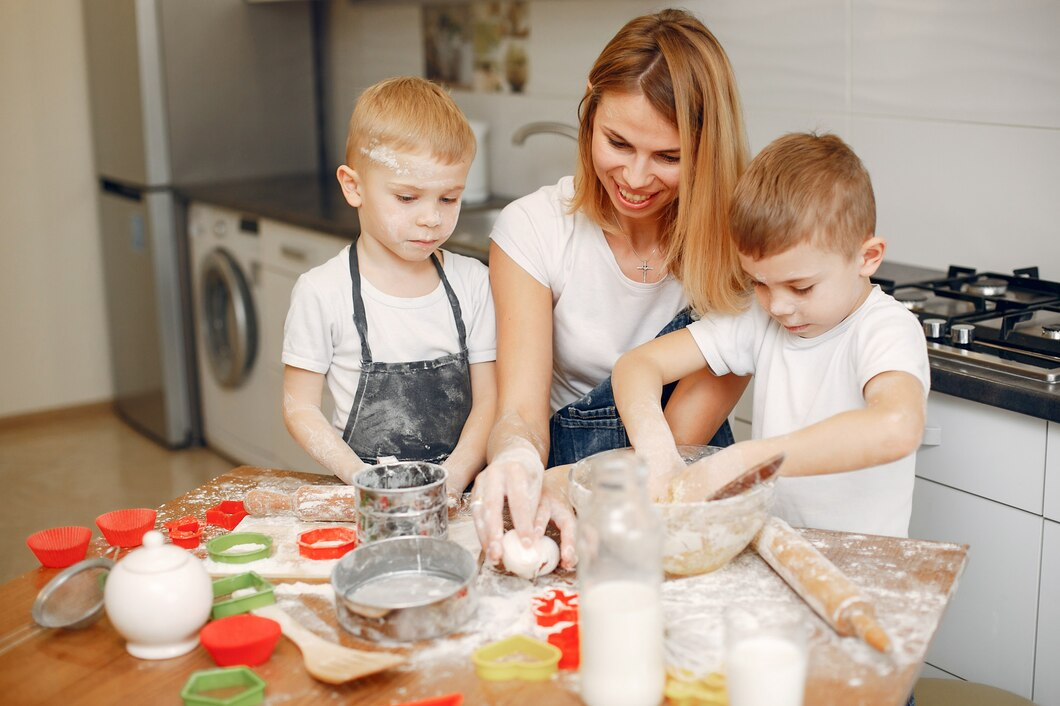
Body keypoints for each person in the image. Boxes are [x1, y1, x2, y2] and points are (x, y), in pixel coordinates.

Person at [471, 8, 752, 567]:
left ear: (706, 148)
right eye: (618, 143)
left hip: (675, 487)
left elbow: (667, 458)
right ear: (589, 111)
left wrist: (571, 481)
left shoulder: (742, 241)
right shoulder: (534, 228)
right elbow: (521, 412)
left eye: (670, 157)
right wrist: (516, 460)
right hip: (555, 481)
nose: (637, 177)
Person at [613, 132, 930, 538]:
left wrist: (746, 460)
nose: (778, 305)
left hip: (863, 567)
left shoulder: (886, 328)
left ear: (866, 258)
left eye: (801, 287)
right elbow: (638, 365)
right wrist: (656, 451)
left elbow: (897, 427)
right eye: (759, 283)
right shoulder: (761, 319)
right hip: (778, 552)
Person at [281, 76, 497, 501]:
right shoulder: (323, 292)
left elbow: (490, 400)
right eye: (407, 198)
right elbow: (299, 408)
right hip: (367, 495)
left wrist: (452, 479)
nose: (432, 218)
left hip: (463, 493)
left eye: (449, 199)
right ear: (353, 186)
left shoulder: (473, 282)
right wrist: (364, 480)